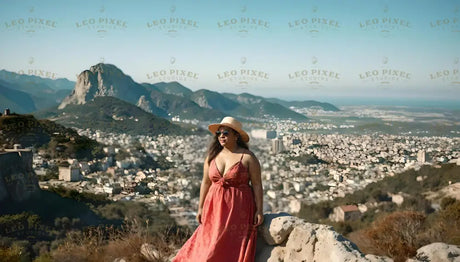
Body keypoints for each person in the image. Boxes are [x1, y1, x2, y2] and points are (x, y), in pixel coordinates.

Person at [173, 116, 264, 262]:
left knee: (229, 243)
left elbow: (257, 184)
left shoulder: (248, 157)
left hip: (238, 207)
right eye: (219, 133)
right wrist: (200, 207)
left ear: (236, 135)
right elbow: (206, 182)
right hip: (213, 205)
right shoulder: (212, 156)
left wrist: (259, 210)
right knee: (209, 239)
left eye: (226, 133)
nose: (221, 136)